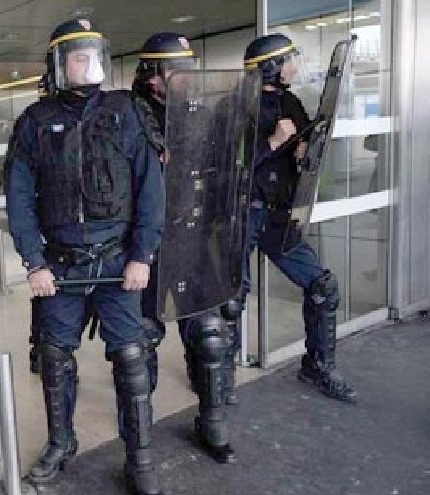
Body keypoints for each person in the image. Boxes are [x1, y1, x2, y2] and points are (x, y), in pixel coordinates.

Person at [4, 18, 170, 495]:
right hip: (60, 266)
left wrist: (142, 255)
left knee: (131, 358)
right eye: (78, 57)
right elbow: (19, 198)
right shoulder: (35, 121)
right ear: (59, 64)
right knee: (55, 356)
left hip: (119, 262)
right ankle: (62, 441)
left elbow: (151, 190)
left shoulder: (128, 112)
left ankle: (140, 462)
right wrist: (34, 261)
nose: (88, 64)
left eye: (93, 55)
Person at [130, 32, 243, 464]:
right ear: (152, 75)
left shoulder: (201, 114)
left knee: (210, 334)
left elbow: (222, 169)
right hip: (147, 243)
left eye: (187, 67)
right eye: (175, 69)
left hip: (193, 237)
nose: (185, 76)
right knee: (141, 342)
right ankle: (140, 434)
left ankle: (212, 422)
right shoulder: (130, 118)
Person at [240, 33, 357, 402]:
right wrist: (272, 143)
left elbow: (304, 145)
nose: (294, 67)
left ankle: (317, 367)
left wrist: (304, 149)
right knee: (228, 302)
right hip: (243, 216)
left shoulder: (289, 101)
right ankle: (215, 383)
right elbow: (228, 169)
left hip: (279, 216)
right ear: (271, 67)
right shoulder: (237, 106)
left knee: (322, 286)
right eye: (288, 60)